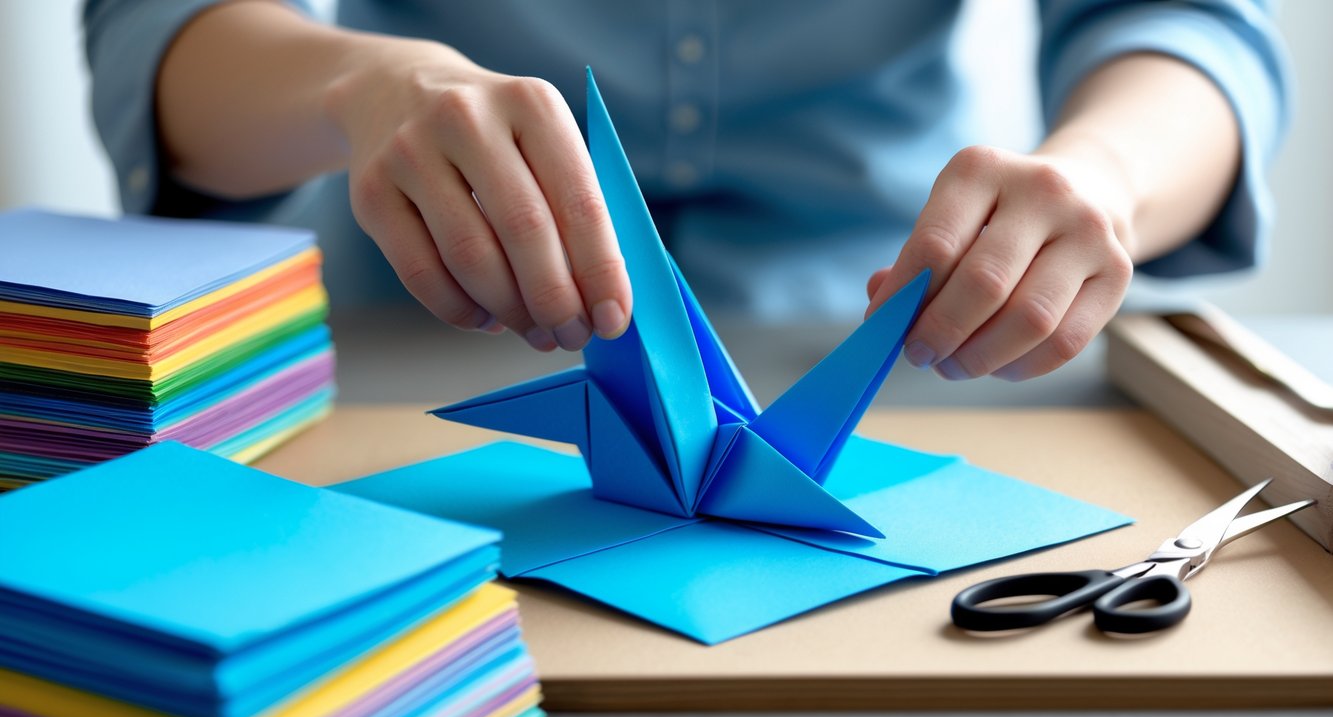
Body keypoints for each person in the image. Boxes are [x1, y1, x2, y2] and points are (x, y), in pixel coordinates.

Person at [83, 0, 1289, 382]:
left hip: (916, 343)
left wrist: (1105, 175)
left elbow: (1184, 24)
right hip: (414, 338)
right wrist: (365, 87)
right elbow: (152, 29)